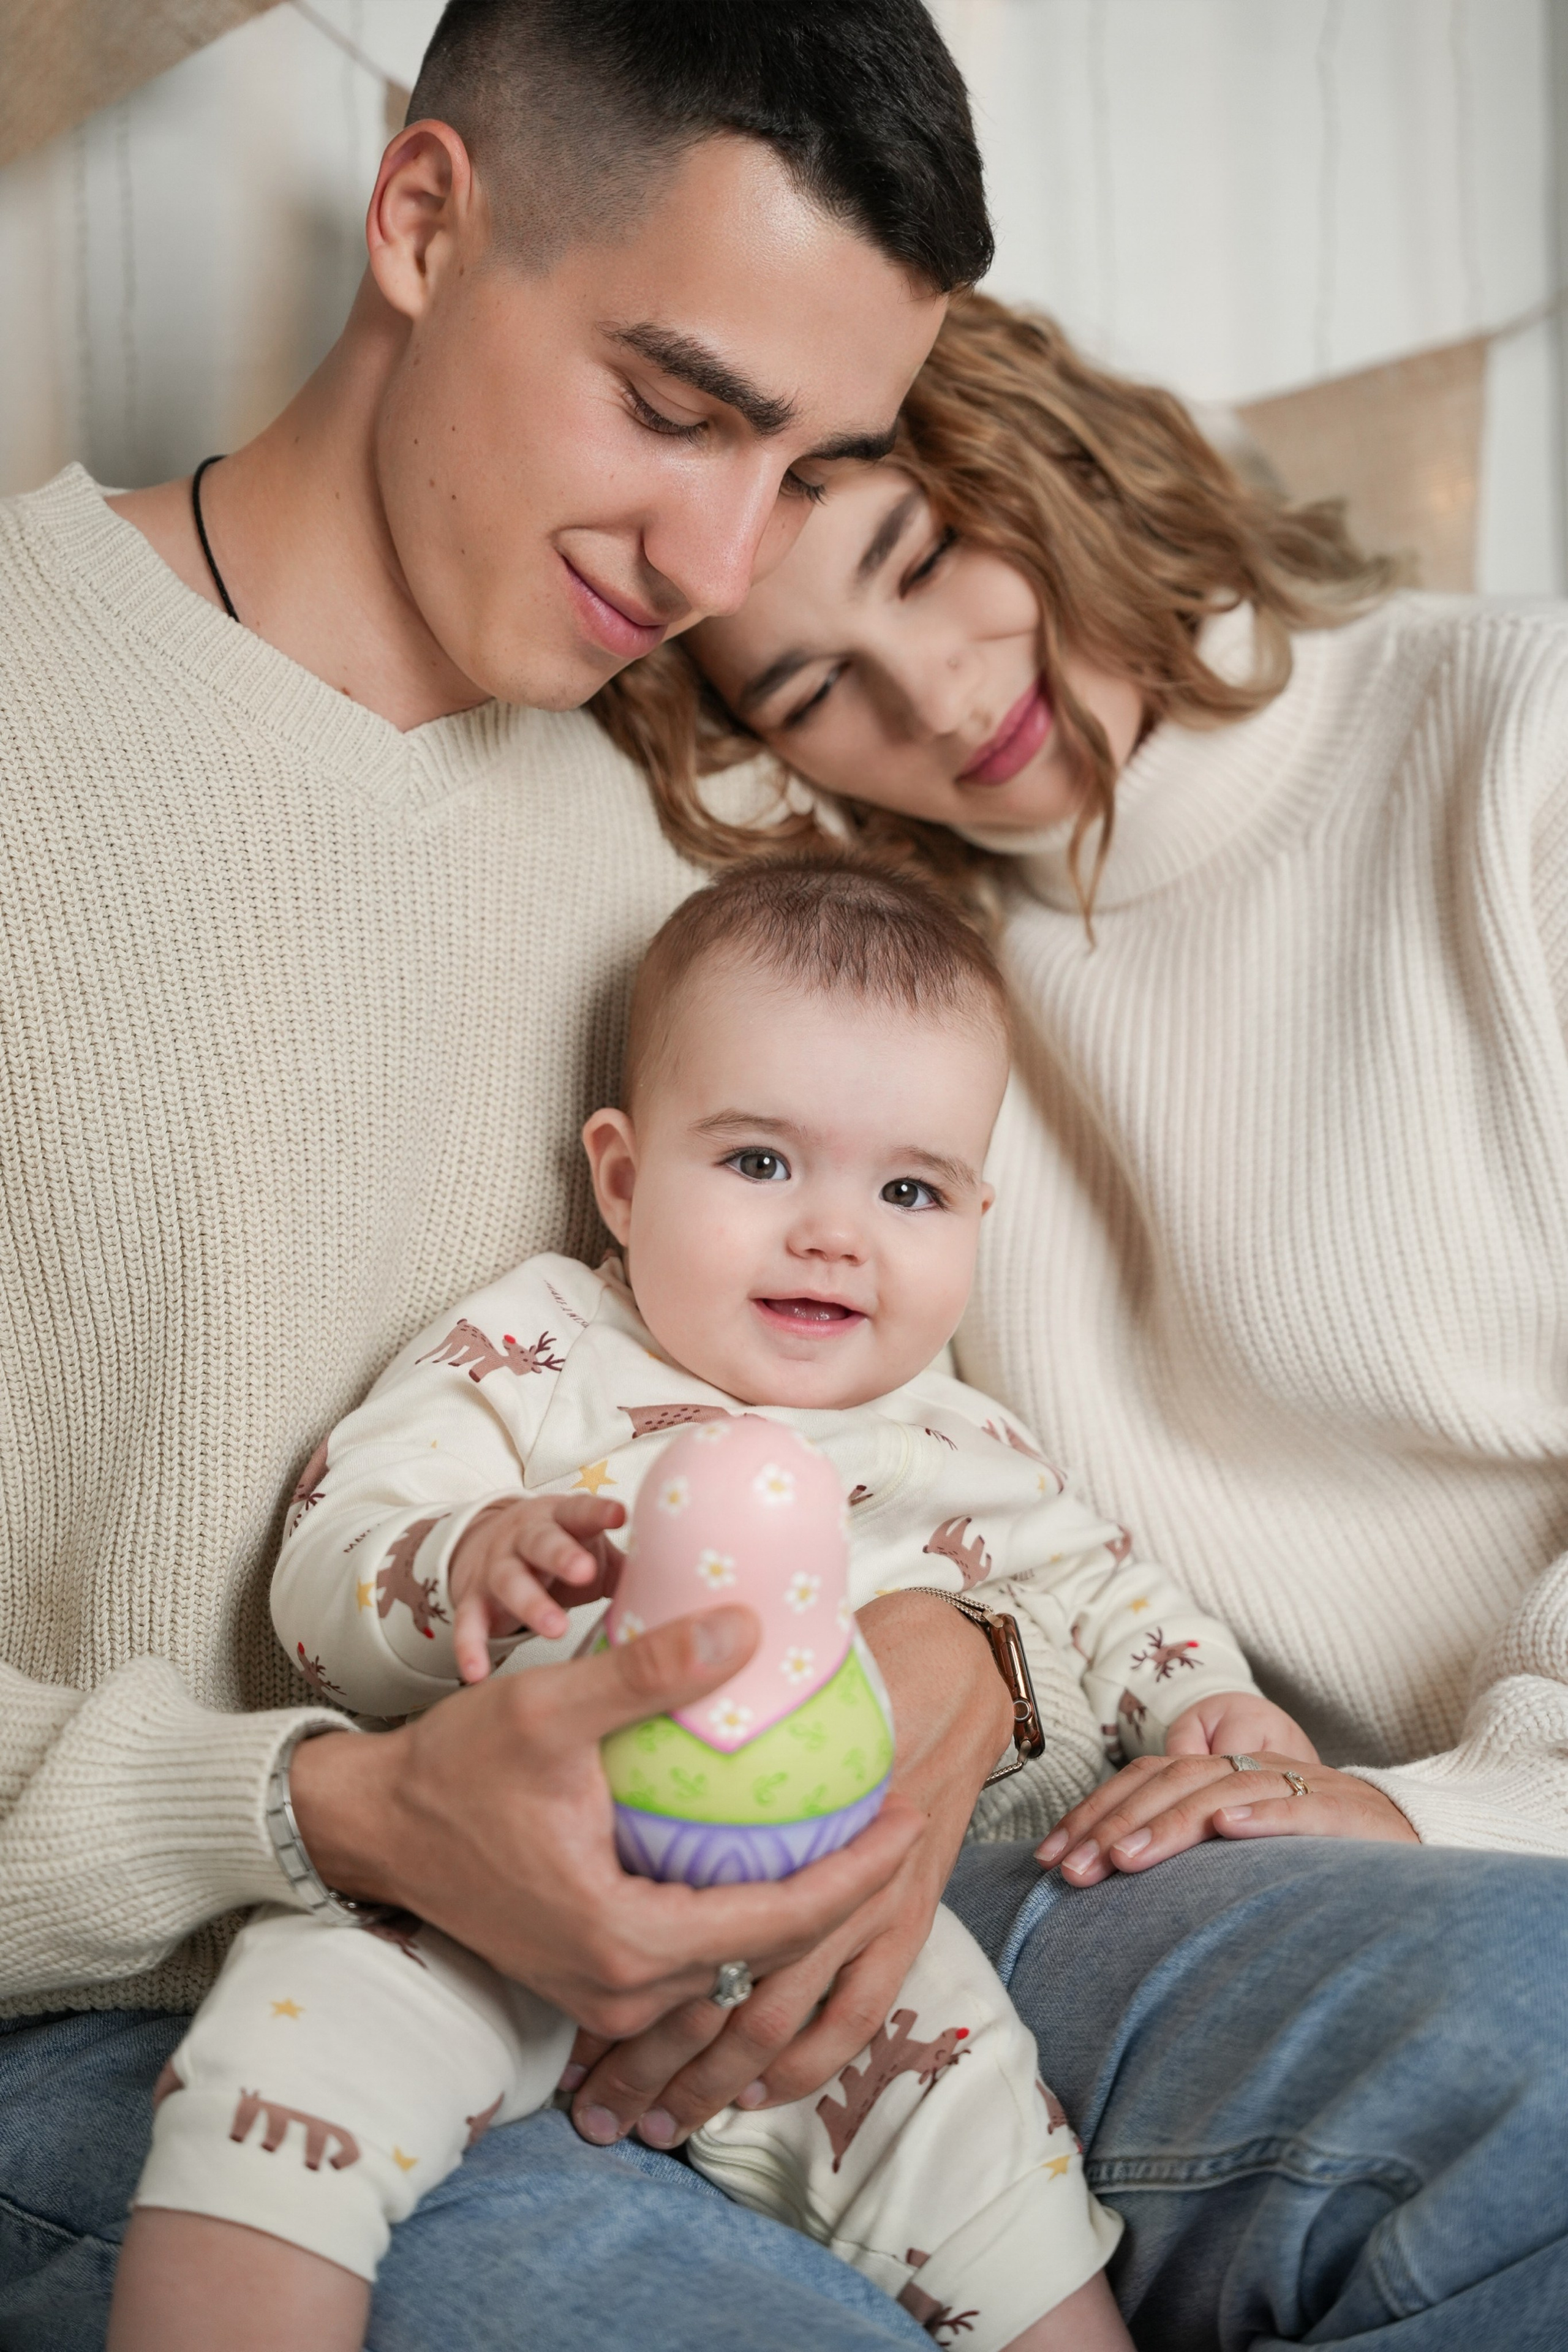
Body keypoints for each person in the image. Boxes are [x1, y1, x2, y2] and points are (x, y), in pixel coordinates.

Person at [0, 10, 1014, 2348]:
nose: (717, 562)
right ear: (424, 218)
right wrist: (333, 1811)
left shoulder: (677, 829)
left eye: (814, 466)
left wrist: (959, 1661)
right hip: (128, 2019)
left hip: (757, 1916)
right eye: (675, 408)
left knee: (1522, 2047)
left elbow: (922, 1416)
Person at [588, 292, 1568, 2342]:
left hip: (1460, 1834)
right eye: (816, 688)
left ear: (1033, 442)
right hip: (1205, 1855)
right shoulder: (894, 1032)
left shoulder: (1517, 743)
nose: (937, 699)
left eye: (931, 559)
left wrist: (1432, 1805)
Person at [119, 856, 1320, 2350]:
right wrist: (465, 1560)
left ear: (974, 1215)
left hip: (830, 1935)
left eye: (907, 1189)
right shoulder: (540, 1347)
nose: (834, 1232)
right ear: (621, 1178)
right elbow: (327, 1561)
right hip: (482, 1872)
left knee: (989, 2162)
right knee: (285, 2083)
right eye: (759, 1163)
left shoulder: (961, 1440)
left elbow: (1098, 1592)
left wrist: (1207, 1698)